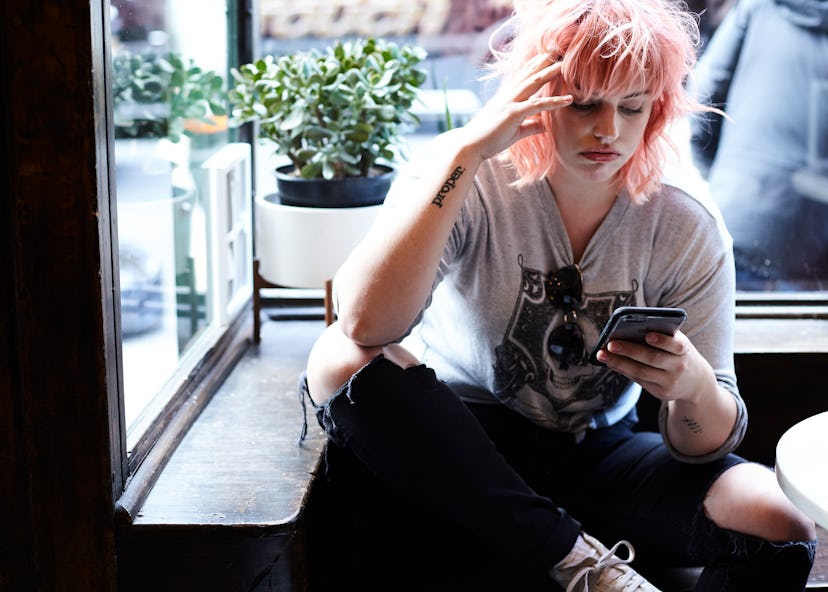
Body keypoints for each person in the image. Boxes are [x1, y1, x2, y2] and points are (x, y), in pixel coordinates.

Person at [300, 0, 817, 590]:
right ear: (532, 96)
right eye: (583, 104)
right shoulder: (463, 176)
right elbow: (364, 323)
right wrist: (466, 153)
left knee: (780, 520)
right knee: (339, 359)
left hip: (598, 452)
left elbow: (700, 445)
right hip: (463, 454)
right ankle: (578, 564)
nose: (609, 131)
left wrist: (692, 386)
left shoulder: (684, 221)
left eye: (632, 107)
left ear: (658, 109)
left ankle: (559, 548)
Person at [689, 0, 828, 290]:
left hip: (741, 217)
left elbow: (700, 101)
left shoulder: (758, 7)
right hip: (815, 253)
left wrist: (723, 179)